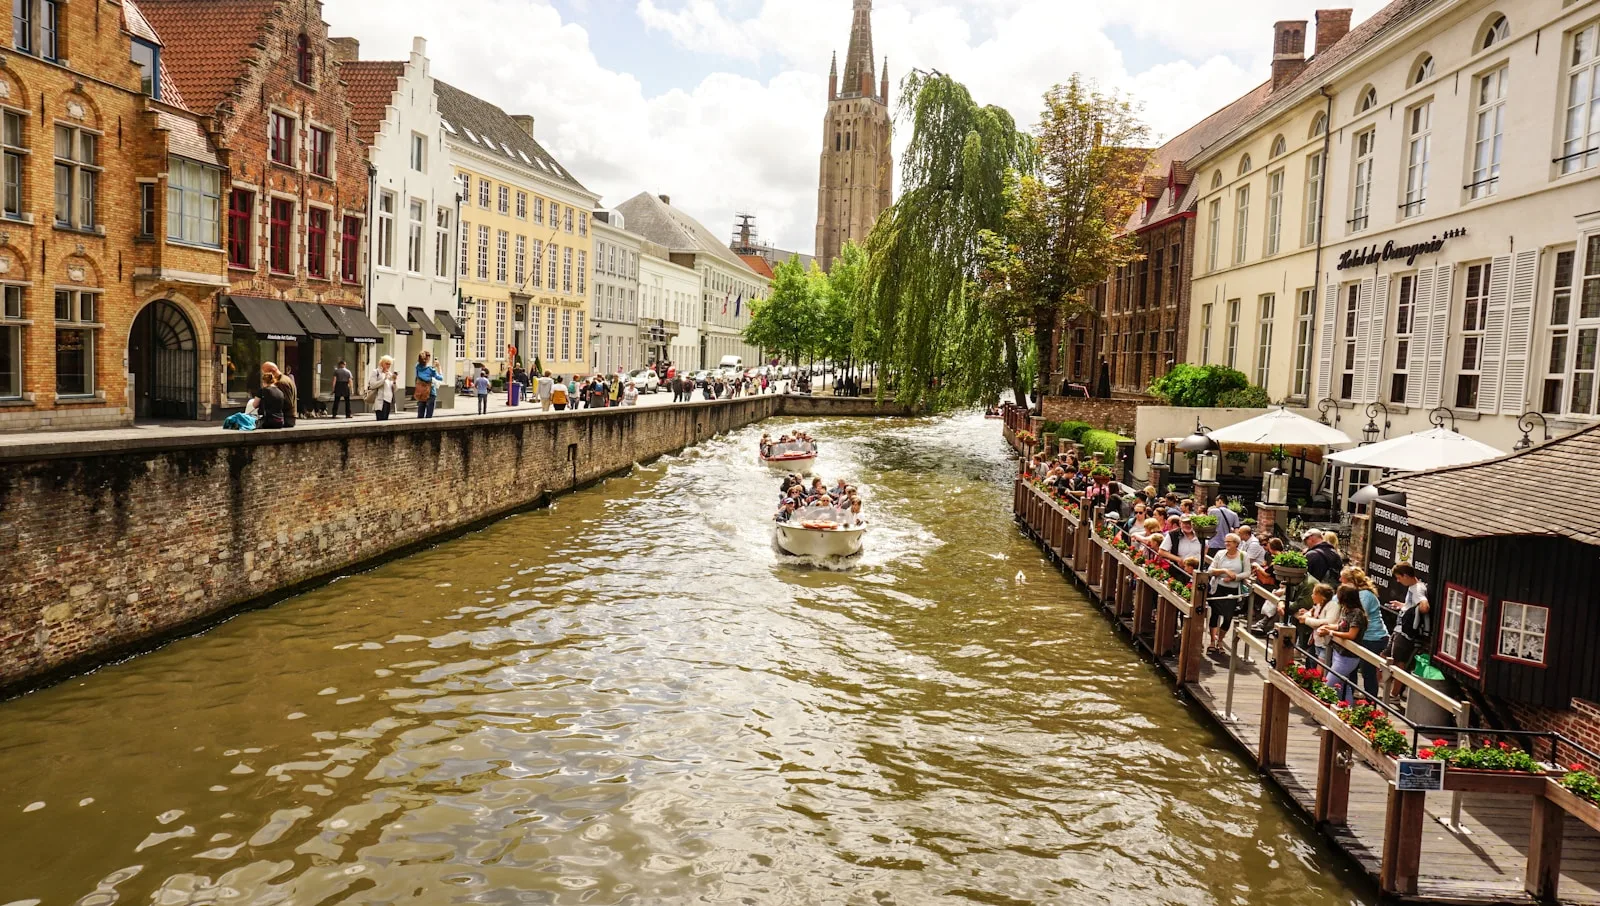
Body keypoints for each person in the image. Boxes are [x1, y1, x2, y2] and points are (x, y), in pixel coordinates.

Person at [1342, 566, 1390, 697]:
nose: (1340, 581)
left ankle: (1370, 704)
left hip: (1373, 638)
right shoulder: (1355, 594)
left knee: (1368, 672)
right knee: (1351, 668)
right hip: (1362, 637)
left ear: (1351, 581)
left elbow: (1358, 616)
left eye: (1343, 580)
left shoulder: (1365, 595)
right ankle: (1351, 696)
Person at [1387, 563, 1432, 692]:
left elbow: (1424, 606)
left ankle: (1394, 694)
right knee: (1386, 657)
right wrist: (1404, 606)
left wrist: (1416, 610)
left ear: (1406, 575)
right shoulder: (1413, 587)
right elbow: (1412, 605)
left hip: (1405, 632)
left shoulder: (1417, 589)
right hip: (1399, 629)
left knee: (1398, 663)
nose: (1398, 580)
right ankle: (1385, 689)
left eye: (1399, 578)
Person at [1322, 586, 1369, 705]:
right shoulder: (1345, 610)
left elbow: (1351, 634)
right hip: (1338, 652)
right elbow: (1341, 626)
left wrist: (1330, 633)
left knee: (1329, 683)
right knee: (1342, 685)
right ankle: (1347, 710)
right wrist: (1328, 627)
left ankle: (1322, 707)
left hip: (1348, 657)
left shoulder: (1357, 613)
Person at [1207, 533, 1248, 653]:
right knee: (1215, 614)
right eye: (1225, 541)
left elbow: (1247, 573)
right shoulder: (1220, 554)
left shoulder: (1243, 556)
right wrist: (1224, 571)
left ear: (1236, 544)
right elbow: (1210, 570)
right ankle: (1212, 641)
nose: (1226, 544)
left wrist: (1234, 577)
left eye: (1229, 541)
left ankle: (1220, 640)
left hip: (1233, 590)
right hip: (1218, 587)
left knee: (1228, 617)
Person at [1297, 583, 1340, 668]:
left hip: (1326, 643)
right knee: (1312, 666)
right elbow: (1310, 613)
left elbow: (1328, 622)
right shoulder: (1318, 605)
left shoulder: (1332, 605)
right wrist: (1306, 615)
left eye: (1314, 594)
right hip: (1316, 641)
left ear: (1322, 596)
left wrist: (1306, 620)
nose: (1312, 596)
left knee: (1319, 671)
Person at [262, 362, 296, 428]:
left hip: (286, 418)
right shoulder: (286, 378)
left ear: (271, 371)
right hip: (287, 417)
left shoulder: (281, 382)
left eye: (265, 373)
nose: (265, 376)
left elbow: (288, 403)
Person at [365, 355, 398, 421]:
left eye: (390, 364)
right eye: (387, 364)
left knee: (386, 420)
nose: (388, 366)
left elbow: (395, 389)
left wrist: (394, 381)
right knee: (380, 420)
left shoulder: (390, 374)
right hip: (380, 400)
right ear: (382, 363)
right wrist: (384, 379)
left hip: (388, 400)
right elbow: (372, 385)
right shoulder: (376, 372)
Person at [413, 352, 441, 419]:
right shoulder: (431, 370)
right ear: (427, 359)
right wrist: (439, 367)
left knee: (420, 414)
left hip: (421, 392)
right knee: (429, 415)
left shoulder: (417, 367)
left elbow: (424, 371)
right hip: (430, 392)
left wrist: (432, 367)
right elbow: (440, 378)